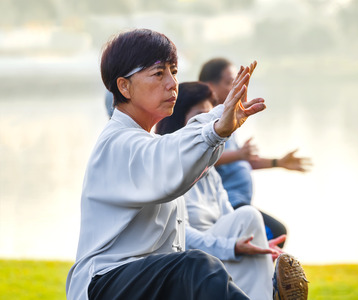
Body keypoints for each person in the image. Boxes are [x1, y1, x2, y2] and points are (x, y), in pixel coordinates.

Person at [66, 28, 267, 300]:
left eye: (174, 71)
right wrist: (217, 126)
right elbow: (168, 156)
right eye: (159, 73)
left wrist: (219, 123)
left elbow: (172, 152)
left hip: (144, 280)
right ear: (124, 86)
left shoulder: (143, 142)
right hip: (104, 283)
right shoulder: (117, 143)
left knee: (199, 267)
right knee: (195, 267)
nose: (172, 83)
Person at [156, 81, 291, 299]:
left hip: (217, 255)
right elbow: (179, 235)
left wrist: (254, 244)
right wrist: (232, 246)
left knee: (248, 221)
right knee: (248, 214)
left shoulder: (209, 171)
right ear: (179, 121)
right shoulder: (167, 166)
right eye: (200, 116)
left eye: (212, 117)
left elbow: (230, 215)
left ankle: (266, 289)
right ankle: (269, 291)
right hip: (189, 260)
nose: (210, 124)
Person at [199, 58, 313, 247]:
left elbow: (242, 161)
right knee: (276, 233)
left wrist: (278, 162)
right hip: (228, 205)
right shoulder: (206, 121)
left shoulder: (227, 120)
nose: (237, 89)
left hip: (241, 203)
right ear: (210, 86)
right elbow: (202, 157)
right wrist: (239, 155)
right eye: (230, 83)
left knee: (269, 242)